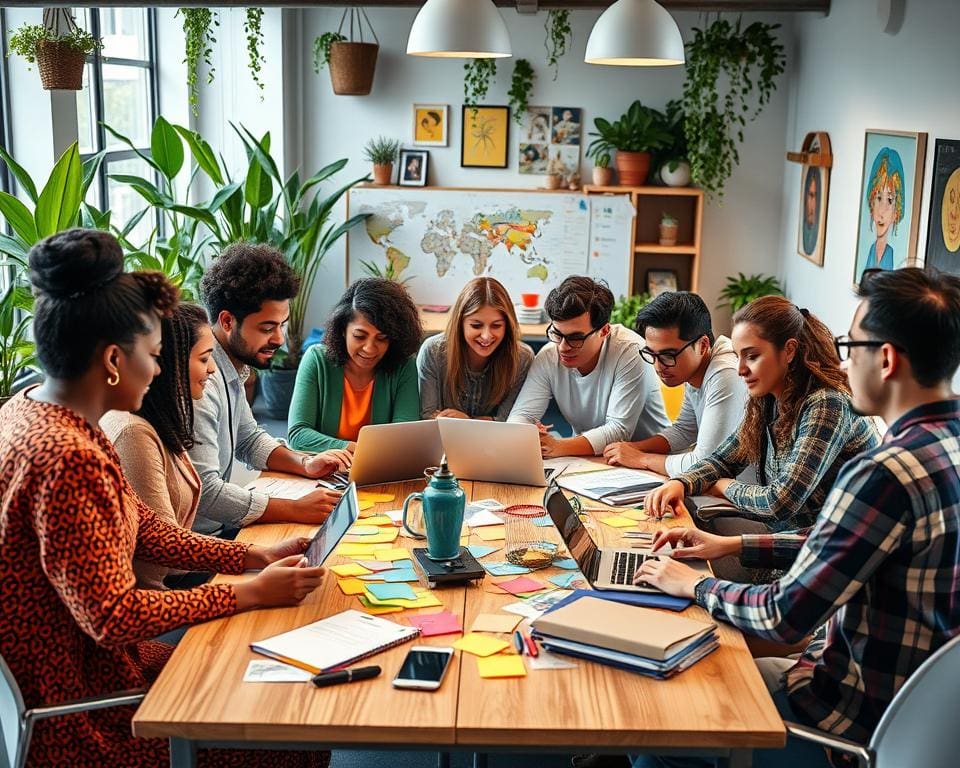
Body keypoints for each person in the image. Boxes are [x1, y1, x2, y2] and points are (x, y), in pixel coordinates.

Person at [0, 229, 329, 767]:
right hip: (81, 710)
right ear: (112, 360)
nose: (159, 370)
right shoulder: (69, 457)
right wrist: (247, 594)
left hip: (83, 669)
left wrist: (251, 556)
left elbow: (144, 524)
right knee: (295, 738)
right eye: (153, 355)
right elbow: (114, 617)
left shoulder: (33, 411)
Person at [635, 268, 960, 768]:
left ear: (887, 359)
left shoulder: (883, 474)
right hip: (919, 717)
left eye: (852, 347)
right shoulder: (946, 448)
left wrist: (692, 586)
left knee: (668, 704)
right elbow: (845, 540)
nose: (844, 363)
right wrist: (734, 546)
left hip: (844, 715)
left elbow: (783, 617)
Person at [644, 296, 879, 535]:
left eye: (752, 356)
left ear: (789, 350)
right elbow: (724, 459)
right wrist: (680, 483)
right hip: (785, 541)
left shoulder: (827, 404)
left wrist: (725, 487)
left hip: (823, 554)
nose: (740, 369)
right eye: (738, 356)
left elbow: (780, 502)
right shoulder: (767, 398)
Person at [191, 242, 350, 536]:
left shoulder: (232, 365)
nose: (279, 339)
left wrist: (306, 464)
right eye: (267, 328)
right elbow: (206, 492)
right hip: (199, 548)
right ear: (227, 321)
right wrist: (294, 508)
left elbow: (249, 439)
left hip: (219, 532)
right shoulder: (203, 383)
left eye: (282, 325)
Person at [101, 303, 214, 589]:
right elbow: (162, 549)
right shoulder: (133, 433)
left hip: (173, 583)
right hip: (155, 601)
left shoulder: (156, 419)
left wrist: (254, 556)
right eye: (204, 359)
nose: (212, 368)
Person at [508, 276, 669, 458]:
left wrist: (557, 446)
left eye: (575, 338)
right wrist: (526, 433)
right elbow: (521, 414)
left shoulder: (631, 351)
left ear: (604, 331)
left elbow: (619, 430)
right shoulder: (548, 355)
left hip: (648, 460)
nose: (562, 347)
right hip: (586, 461)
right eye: (557, 334)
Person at [603, 292, 748, 476]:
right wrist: (632, 448)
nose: (658, 366)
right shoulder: (694, 368)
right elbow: (684, 430)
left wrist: (641, 459)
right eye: (652, 354)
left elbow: (704, 465)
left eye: (668, 355)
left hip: (739, 494)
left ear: (702, 345)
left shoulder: (725, 374)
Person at [288, 277, 421, 453]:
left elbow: (405, 437)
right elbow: (298, 434)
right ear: (343, 330)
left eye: (382, 338)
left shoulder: (404, 366)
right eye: (359, 336)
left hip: (380, 473)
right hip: (324, 473)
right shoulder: (317, 360)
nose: (369, 348)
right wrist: (353, 449)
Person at [418, 277, 535, 421]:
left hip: (496, 443)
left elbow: (508, 421)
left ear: (508, 326)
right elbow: (428, 417)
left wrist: (467, 421)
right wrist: (487, 422)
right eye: (476, 325)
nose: (486, 336)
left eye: (496, 325)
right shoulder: (432, 352)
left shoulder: (522, 358)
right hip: (442, 441)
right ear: (460, 323)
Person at [856, 147, 905, 280]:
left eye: (889, 200)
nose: (881, 211)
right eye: (878, 198)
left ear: (896, 213)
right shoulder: (871, 250)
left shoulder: (890, 254)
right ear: (872, 206)